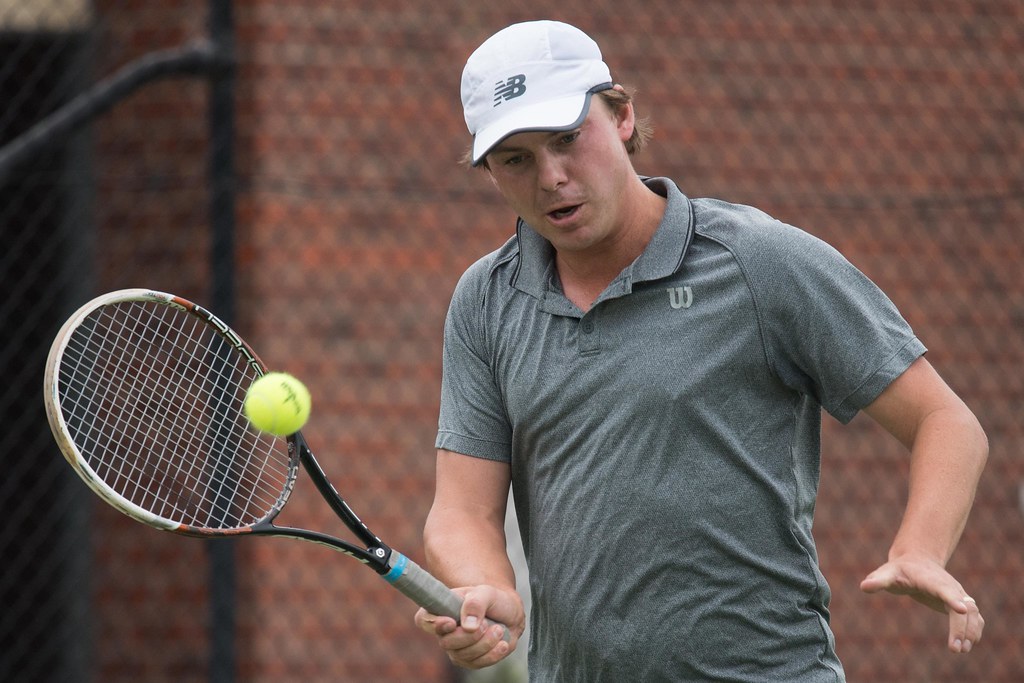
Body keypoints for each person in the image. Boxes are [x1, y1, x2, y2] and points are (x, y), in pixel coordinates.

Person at [415, 19, 988, 682]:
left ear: (622, 116)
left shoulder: (758, 261)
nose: (551, 176)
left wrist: (921, 546)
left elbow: (946, 422)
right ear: (492, 174)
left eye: (568, 138)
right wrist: (487, 585)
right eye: (516, 158)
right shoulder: (486, 300)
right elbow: (461, 510)